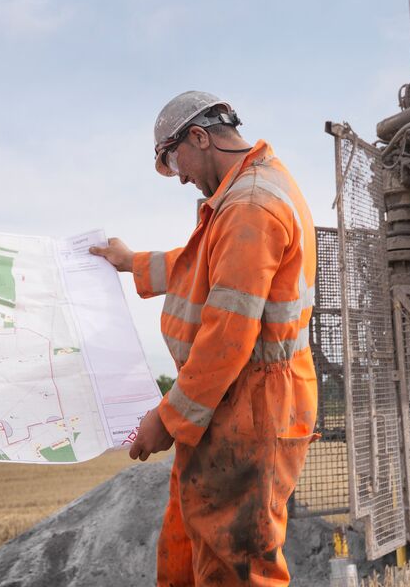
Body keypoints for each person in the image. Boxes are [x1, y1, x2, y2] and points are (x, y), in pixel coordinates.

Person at [91, 91, 317, 587]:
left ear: (199, 137)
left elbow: (226, 340)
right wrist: (133, 262)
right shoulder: (244, 195)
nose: (180, 175)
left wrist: (168, 419)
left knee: (235, 564)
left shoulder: (252, 205)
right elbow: (202, 267)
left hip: (252, 409)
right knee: (190, 547)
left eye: (174, 160)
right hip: (229, 406)